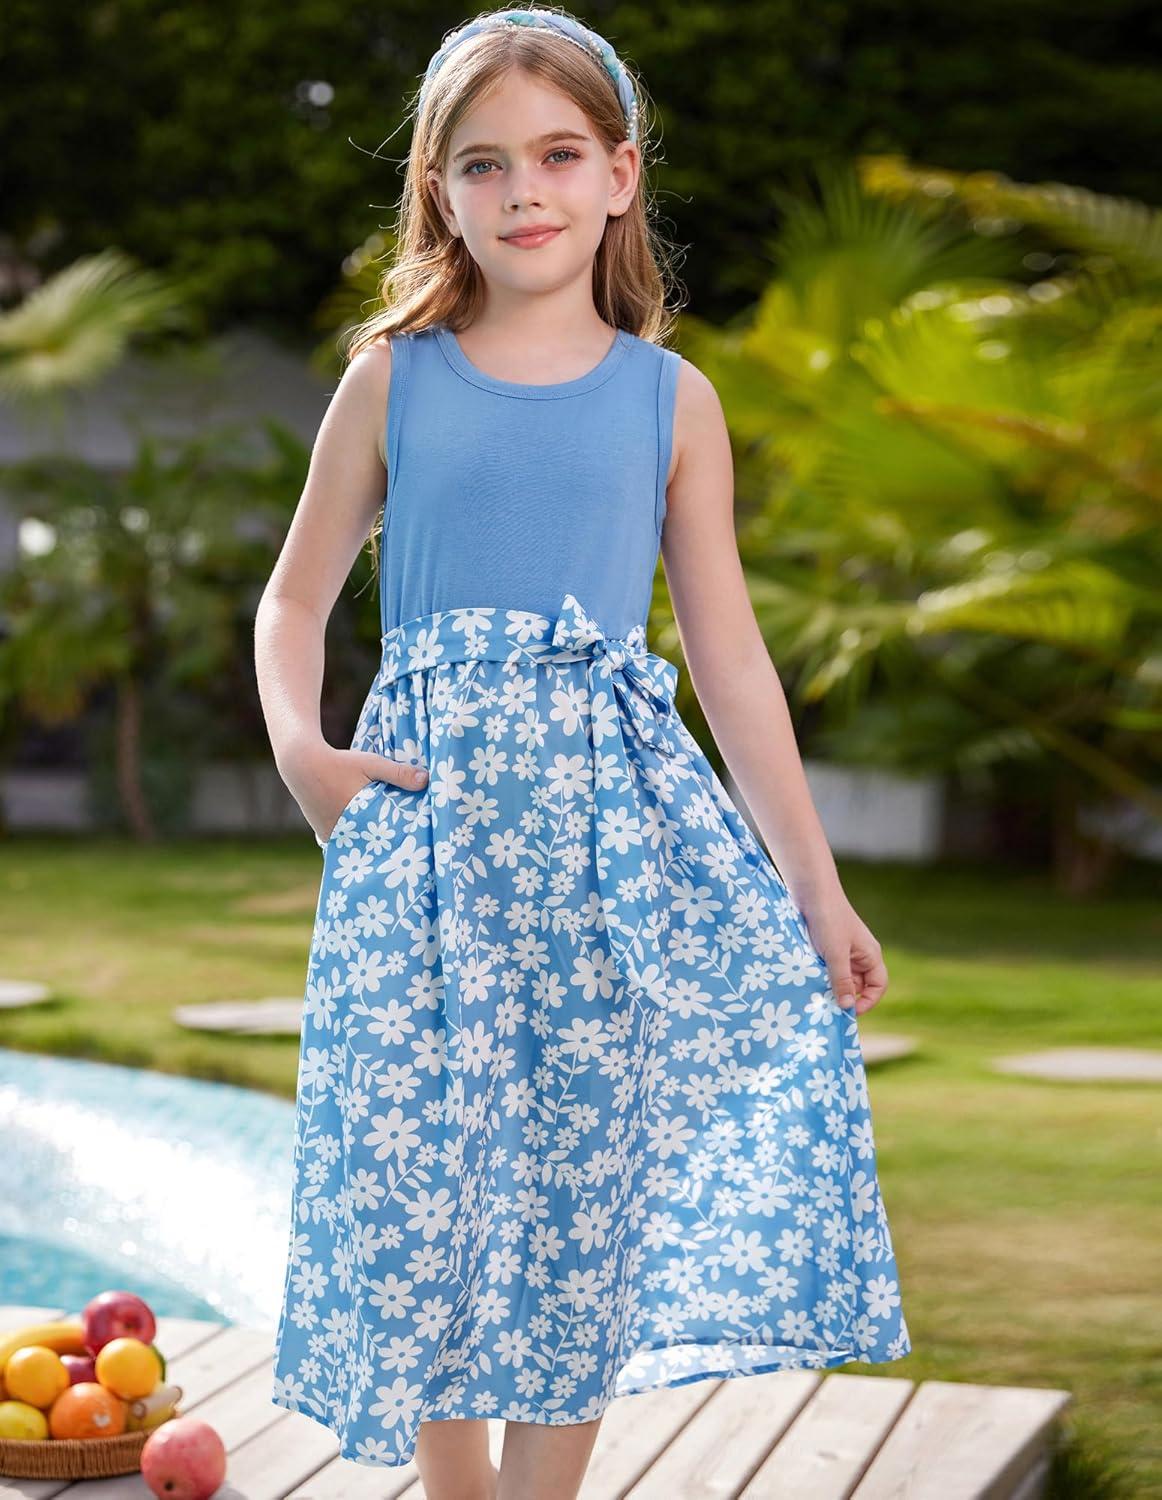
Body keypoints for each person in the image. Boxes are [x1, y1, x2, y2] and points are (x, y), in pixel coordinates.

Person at [258, 7, 911, 1497]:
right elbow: (292, 598)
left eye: (557, 155)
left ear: (620, 176)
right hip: (423, 851)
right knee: (415, 1184)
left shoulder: (670, 401)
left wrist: (816, 892)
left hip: (610, 857)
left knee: (575, 1195)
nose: (523, 191)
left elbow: (729, 659)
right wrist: (303, 749)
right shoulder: (394, 378)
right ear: (440, 192)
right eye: (482, 164)